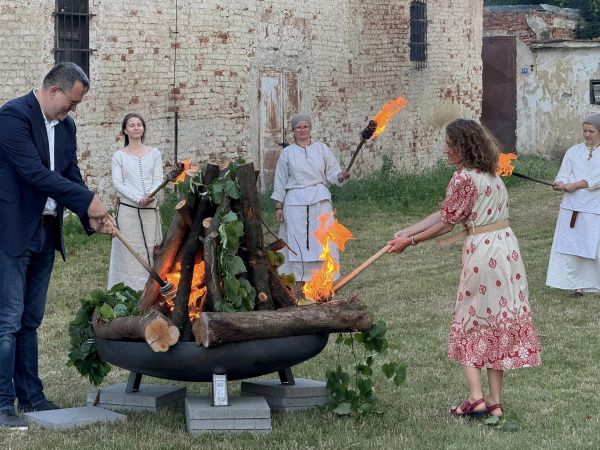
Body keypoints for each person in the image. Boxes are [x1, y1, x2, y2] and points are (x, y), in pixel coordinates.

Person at [387, 119, 541, 419]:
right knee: (499, 319)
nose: (445, 150)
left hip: (484, 253)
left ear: (464, 146)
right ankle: (495, 403)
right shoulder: (492, 175)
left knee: (472, 318)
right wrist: (408, 230)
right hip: (508, 250)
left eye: (449, 144)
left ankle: (475, 399)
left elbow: (447, 222)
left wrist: (412, 242)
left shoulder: (463, 179)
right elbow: (445, 211)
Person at [0, 62, 116, 429]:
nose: (74, 110)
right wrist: (90, 200)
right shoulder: (12, 116)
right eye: (72, 102)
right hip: (13, 232)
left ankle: (32, 397)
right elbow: (34, 174)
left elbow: (70, 175)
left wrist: (91, 216)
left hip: (47, 232)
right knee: (7, 323)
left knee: (30, 322)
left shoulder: (66, 127)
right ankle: (3, 406)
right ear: (54, 91)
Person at [271, 113, 350, 297]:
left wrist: (339, 176)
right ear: (293, 130)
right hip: (295, 203)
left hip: (319, 201)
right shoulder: (287, 153)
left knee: (321, 241)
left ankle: (322, 284)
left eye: (305, 126)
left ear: (310, 129)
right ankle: (298, 285)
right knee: (297, 243)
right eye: (298, 127)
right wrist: (278, 206)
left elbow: (332, 172)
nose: (302, 130)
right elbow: (280, 181)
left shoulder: (322, 149)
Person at [107, 113, 164, 291]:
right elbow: (118, 183)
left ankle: (152, 291)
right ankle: (126, 291)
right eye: (132, 125)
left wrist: (150, 194)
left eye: (139, 124)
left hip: (150, 212)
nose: (136, 128)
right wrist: (138, 198)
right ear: (125, 130)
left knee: (152, 251)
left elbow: (158, 178)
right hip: (129, 213)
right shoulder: (119, 156)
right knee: (128, 254)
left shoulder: (154, 153)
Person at [546, 113, 600, 298]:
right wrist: (560, 183)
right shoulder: (573, 151)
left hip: (593, 208)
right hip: (571, 207)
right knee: (573, 246)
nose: (587, 134)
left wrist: (575, 185)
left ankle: (595, 282)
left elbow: (595, 180)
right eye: (584, 131)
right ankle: (578, 286)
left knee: (593, 245)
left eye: (591, 131)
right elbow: (563, 174)